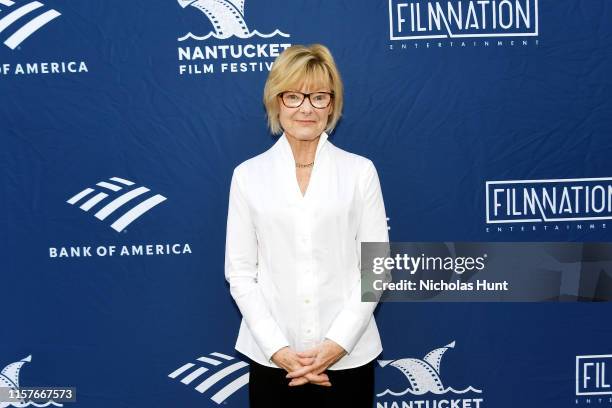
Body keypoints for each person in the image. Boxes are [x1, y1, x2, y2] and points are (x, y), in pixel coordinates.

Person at [224, 44, 389, 407]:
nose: (306, 108)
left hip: (348, 360)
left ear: (331, 105)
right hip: (272, 361)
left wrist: (336, 345)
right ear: (276, 101)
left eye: (318, 97)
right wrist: (277, 349)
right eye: (294, 96)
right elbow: (239, 273)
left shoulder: (359, 172)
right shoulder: (248, 176)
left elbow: (375, 270)